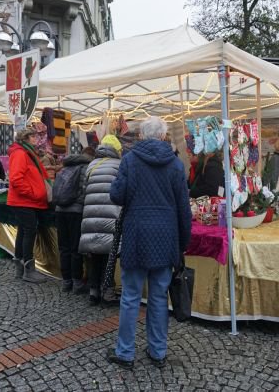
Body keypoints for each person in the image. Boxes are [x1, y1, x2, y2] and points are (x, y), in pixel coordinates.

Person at [107, 117, 192, 369]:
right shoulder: (176, 165)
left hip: (136, 235)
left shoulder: (130, 160)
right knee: (158, 297)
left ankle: (125, 352)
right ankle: (157, 351)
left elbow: (116, 195)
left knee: (131, 296)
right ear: (164, 136)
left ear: (141, 136)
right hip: (166, 238)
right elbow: (183, 210)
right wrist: (182, 244)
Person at [78, 135, 122, 305]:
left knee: (94, 254)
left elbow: (83, 191)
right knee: (109, 255)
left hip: (90, 214)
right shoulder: (119, 165)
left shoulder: (91, 165)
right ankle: (108, 292)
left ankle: (93, 291)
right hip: (111, 215)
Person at [7, 128, 50, 283]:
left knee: (24, 232)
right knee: (29, 232)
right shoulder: (20, 154)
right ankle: (28, 270)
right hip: (24, 200)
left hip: (25, 200)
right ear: (25, 138)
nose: (35, 139)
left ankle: (20, 268)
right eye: (32, 136)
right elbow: (16, 179)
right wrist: (34, 193)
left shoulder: (26, 153)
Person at [55, 148, 94, 294]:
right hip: (76, 212)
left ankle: (66, 282)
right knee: (75, 248)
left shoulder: (65, 167)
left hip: (60, 210)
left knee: (63, 248)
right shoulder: (85, 168)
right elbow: (85, 191)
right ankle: (77, 282)